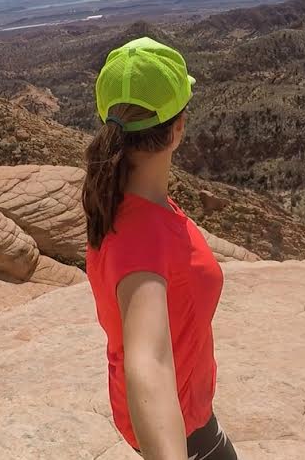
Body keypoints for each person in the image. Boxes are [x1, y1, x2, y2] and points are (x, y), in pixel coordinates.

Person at [82, 36, 238, 460]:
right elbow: (147, 363)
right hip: (185, 431)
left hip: (185, 412)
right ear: (178, 128)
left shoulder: (126, 202)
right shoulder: (143, 239)